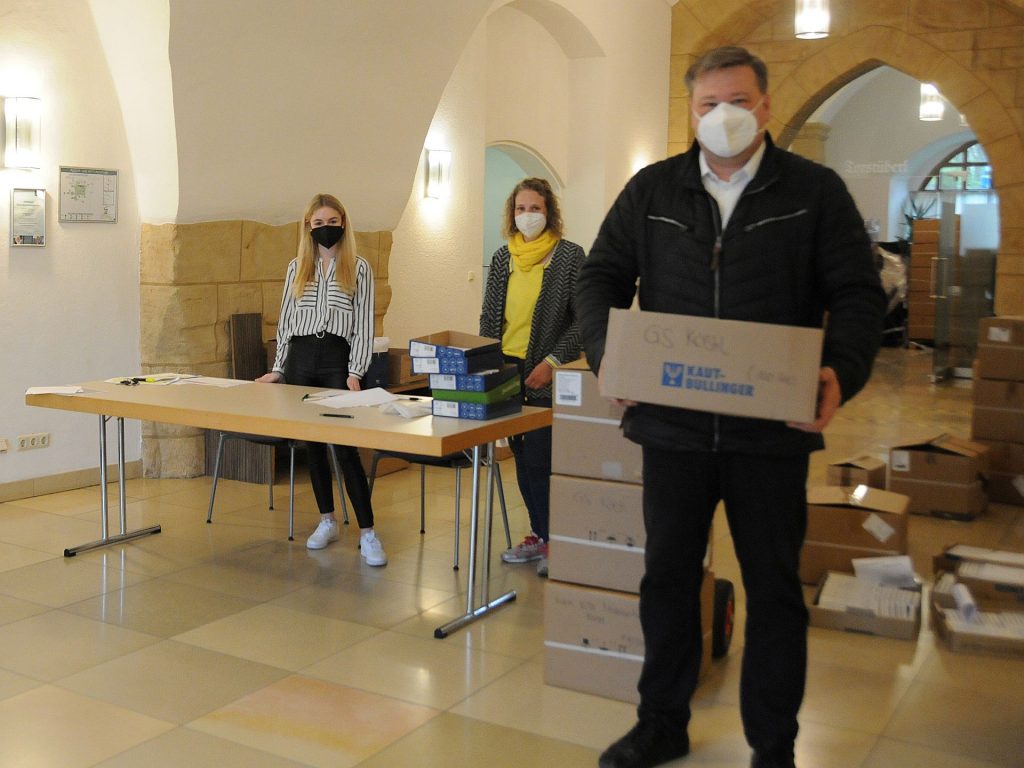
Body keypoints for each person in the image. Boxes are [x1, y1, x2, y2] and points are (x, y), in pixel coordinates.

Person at [575, 47, 885, 768]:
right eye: (708, 104)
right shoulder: (653, 191)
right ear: (689, 110)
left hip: (770, 433)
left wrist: (843, 370)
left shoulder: (814, 192)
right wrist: (607, 352)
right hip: (673, 431)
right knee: (668, 580)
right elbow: (601, 277)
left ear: (767, 106)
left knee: (775, 591)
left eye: (738, 101)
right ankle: (662, 722)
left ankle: (774, 743)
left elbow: (859, 294)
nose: (723, 117)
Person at [256, 192, 387, 566]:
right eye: (318, 224)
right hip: (300, 358)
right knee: (312, 445)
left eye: (332, 222)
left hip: (335, 358)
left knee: (344, 446)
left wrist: (355, 372)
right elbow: (285, 322)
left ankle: (368, 533)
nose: (326, 229)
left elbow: (363, 324)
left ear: (343, 224)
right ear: (308, 227)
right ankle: (327, 519)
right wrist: (279, 368)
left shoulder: (358, 267)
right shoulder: (296, 267)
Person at [480, 177, 585, 577]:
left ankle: (558, 541)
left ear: (549, 211)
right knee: (522, 459)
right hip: (507, 367)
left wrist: (553, 361)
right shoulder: (503, 257)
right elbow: (490, 317)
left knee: (544, 458)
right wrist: (488, 365)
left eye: (535, 208)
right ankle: (539, 535)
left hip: (546, 371)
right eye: (520, 209)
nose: (527, 216)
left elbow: (583, 320)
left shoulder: (570, 256)